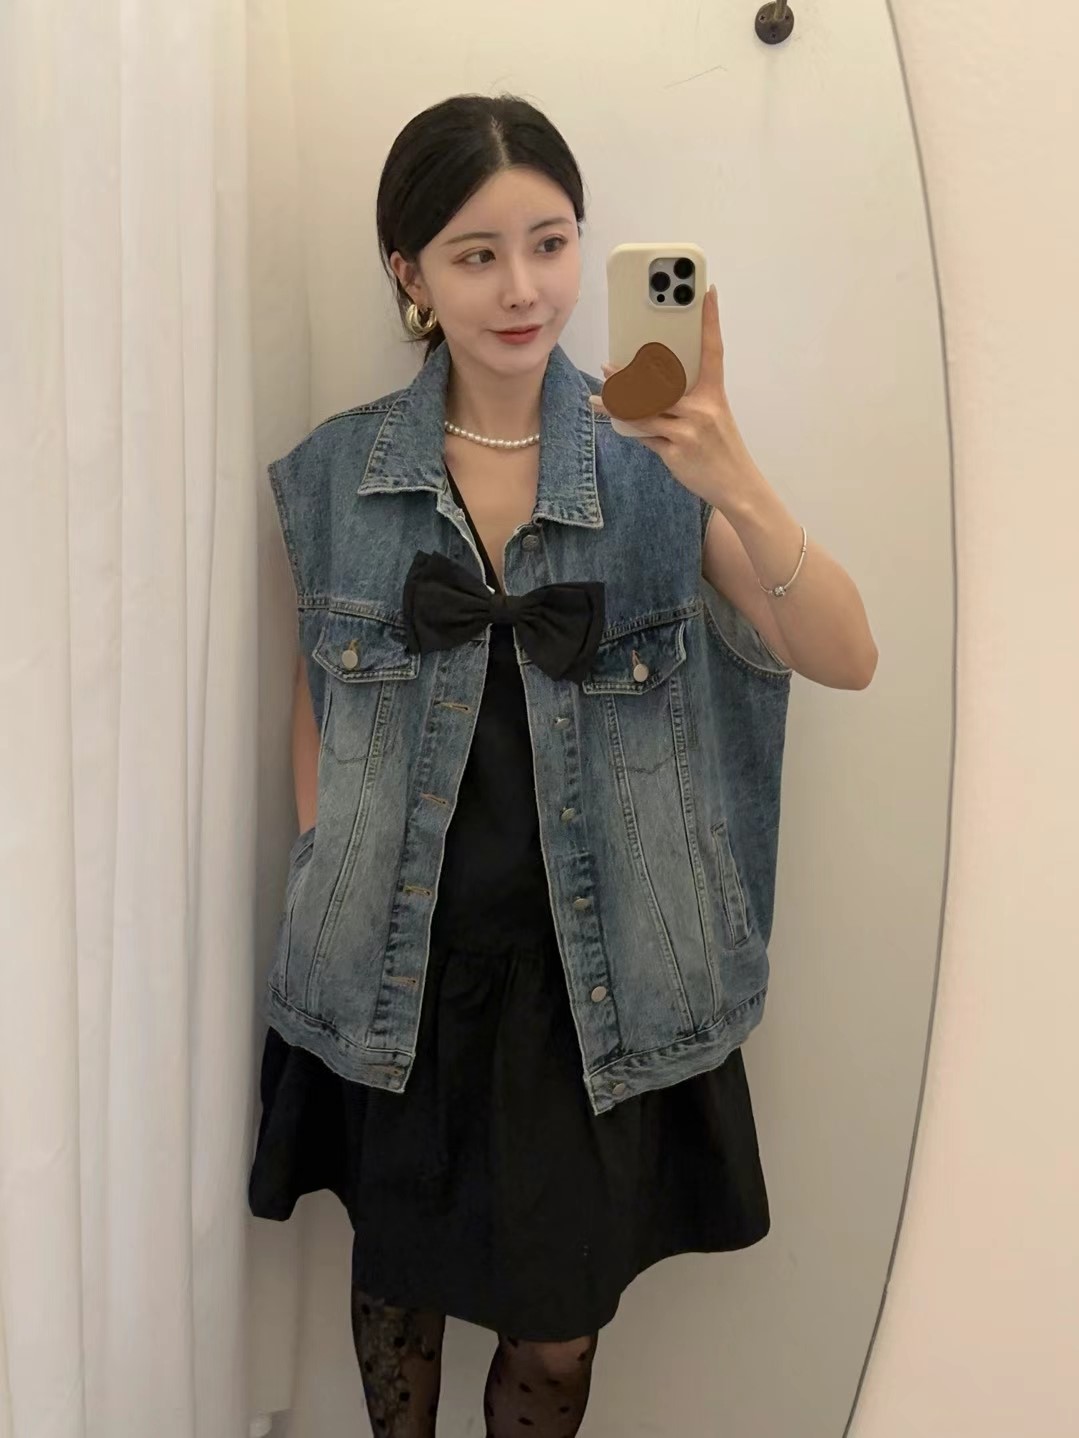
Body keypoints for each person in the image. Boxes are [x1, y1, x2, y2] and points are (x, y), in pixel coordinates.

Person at [248, 93, 877, 1438]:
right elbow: (319, 709)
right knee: (398, 1292)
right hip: (398, 974)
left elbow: (847, 655)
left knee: (557, 1327)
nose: (523, 288)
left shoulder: (657, 476)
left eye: (549, 242)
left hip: (594, 989)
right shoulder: (334, 476)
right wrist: (323, 868)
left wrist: (734, 474)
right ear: (411, 274)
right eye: (476, 254)